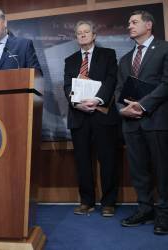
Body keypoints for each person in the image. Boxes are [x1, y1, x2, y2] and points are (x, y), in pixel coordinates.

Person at [115, 10, 168, 235]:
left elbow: (166, 83)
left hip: (156, 120)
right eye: (128, 23)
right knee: (139, 171)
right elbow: (118, 90)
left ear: (148, 25)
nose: (129, 26)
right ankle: (145, 209)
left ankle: (164, 214)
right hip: (131, 124)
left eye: (134, 22)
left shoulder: (165, 48)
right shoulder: (125, 59)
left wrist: (143, 105)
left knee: (163, 170)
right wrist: (122, 109)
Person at [63, 21, 119, 217]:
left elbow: (112, 79)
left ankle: (108, 203)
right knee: (82, 161)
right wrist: (76, 103)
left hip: (102, 114)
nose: (83, 35)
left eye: (86, 32)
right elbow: (66, 87)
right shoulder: (69, 60)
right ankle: (86, 201)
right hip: (79, 116)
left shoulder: (108, 54)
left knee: (108, 159)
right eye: (79, 33)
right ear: (76, 37)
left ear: (94, 35)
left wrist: (96, 99)